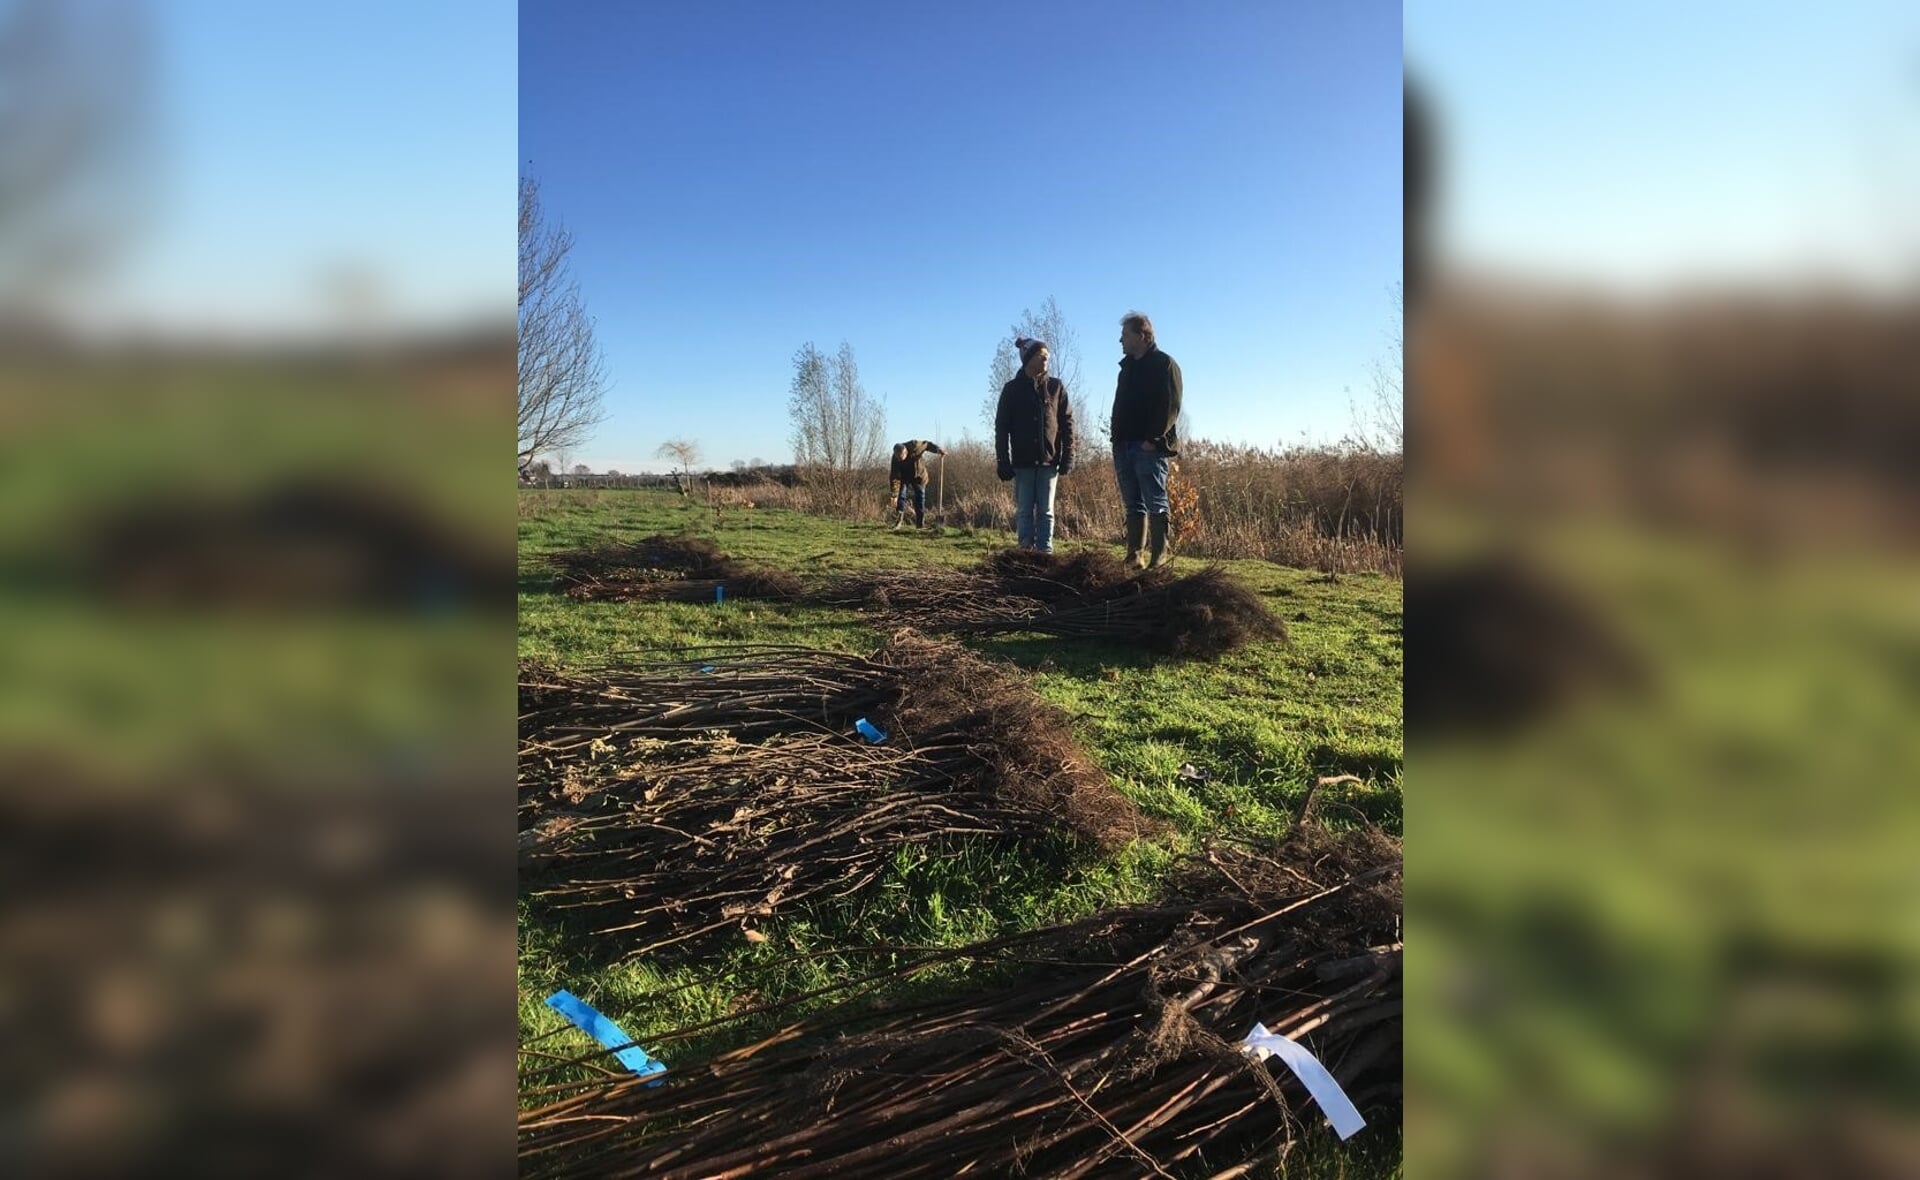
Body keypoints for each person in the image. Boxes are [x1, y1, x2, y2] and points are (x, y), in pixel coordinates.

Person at [1111, 311, 1182, 568]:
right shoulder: (1126, 369)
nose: (1121, 341)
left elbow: (1170, 406)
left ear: (1141, 336)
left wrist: (1152, 439)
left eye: (1124, 335)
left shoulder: (1164, 364)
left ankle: (1159, 559)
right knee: (1133, 504)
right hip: (1124, 446)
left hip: (1149, 447)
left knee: (1156, 502)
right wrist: (1116, 440)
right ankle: (1134, 557)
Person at [995, 336, 1075, 553]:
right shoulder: (1011, 390)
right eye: (1042, 356)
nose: (1046, 359)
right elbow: (1001, 427)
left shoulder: (1056, 387)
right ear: (1029, 359)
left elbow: (1067, 422)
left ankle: (1045, 553)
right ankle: (1025, 551)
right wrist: (1003, 459)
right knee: (1024, 511)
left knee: (1046, 510)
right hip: (1022, 461)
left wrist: (1069, 454)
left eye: (1048, 356)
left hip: (1049, 461)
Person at [887, 438, 944, 529]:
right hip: (904, 477)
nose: (899, 460)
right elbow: (894, 477)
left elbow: (927, 445)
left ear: (905, 452)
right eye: (898, 458)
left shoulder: (915, 446)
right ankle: (898, 522)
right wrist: (894, 494)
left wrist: (938, 450)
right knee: (900, 496)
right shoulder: (895, 459)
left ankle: (920, 524)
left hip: (918, 475)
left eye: (901, 458)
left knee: (920, 498)